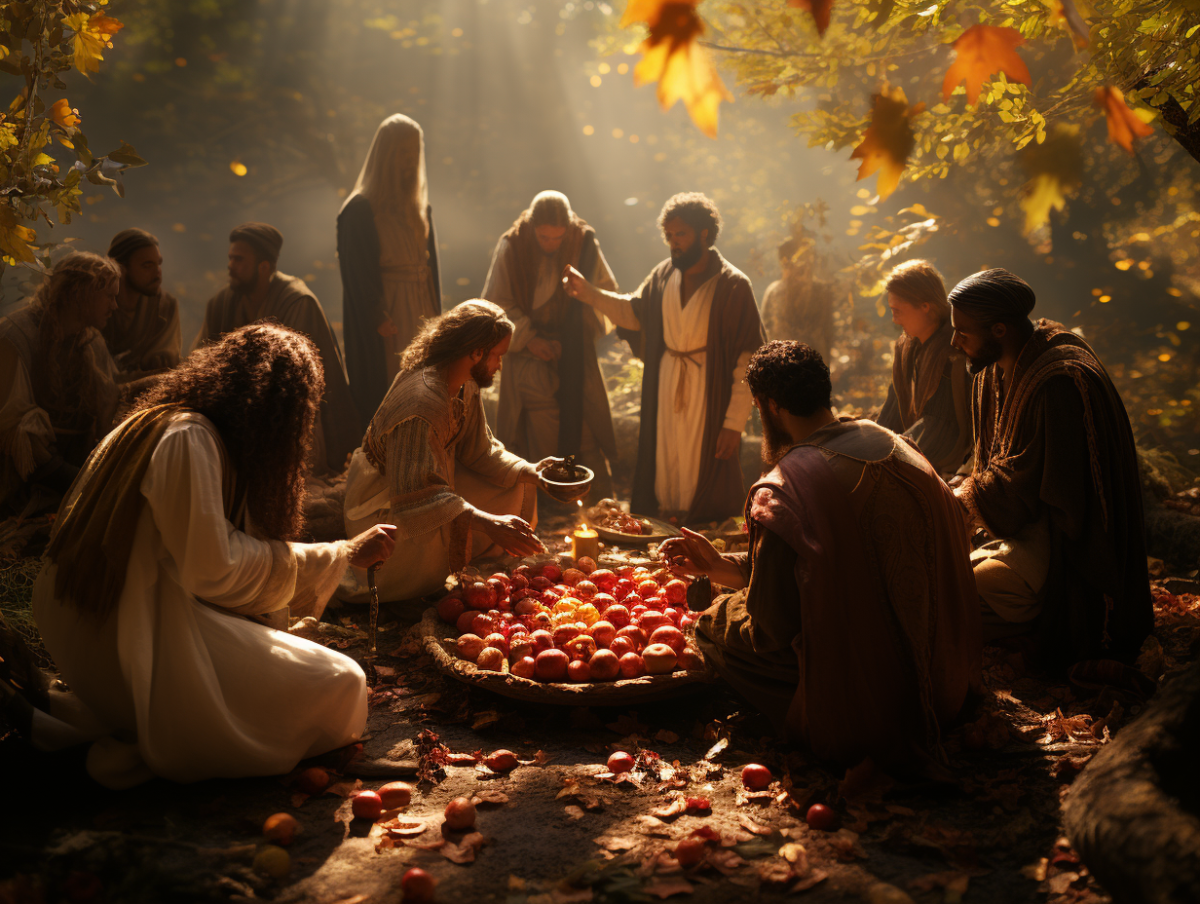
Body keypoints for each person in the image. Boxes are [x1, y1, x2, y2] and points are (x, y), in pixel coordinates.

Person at [27, 324, 397, 789]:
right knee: (342, 683)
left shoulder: (163, 423)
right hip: (125, 644)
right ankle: (153, 722)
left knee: (311, 666)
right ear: (277, 408)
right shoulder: (189, 438)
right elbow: (213, 570)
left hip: (90, 625)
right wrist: (340, 554)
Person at [662, 341, 979, 771]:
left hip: (867, 705)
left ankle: (796, 713)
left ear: (770, 406)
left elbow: (771, 628)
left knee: (714, 627)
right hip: (947, 676)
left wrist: (719, 609)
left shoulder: (783, 489)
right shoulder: (896, 444)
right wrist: (717, 565)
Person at [949, 269, 1152, 664]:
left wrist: (963, 503)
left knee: (959, 590)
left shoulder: (1059, 381)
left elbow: (1031, 483)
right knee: (944, 580)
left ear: (1000, 330)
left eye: (963, 333)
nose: (955, 342)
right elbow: (994, 460)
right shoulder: (991, 372)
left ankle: (1044, 622)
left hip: (1062, 540)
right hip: (1021, 527)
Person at [563, 192, 763, 523]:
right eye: (669, 236)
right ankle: (666, 527)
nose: (673, 243)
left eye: (680, 234)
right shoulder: (662, 276)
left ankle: (700, 534)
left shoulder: (733, 285)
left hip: (708, 387)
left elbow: (748, 358)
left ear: (704, 233)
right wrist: (588, 293)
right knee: (666, 456)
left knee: (703, 461)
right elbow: (633, 313)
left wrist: (733, 423)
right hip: (666, 380)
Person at [341, 300, 552, 604]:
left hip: (431, 488)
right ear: (475, 352)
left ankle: (481, 569)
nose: (500, 365)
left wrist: (535, 472)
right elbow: (416, 497)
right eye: (497, 356)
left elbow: (480, 451)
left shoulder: (465, 381)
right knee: (454, 531)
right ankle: (415, 582)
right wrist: (490, 523)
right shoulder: (422, 403)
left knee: (518, 481)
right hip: (386, 506)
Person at [482, 191, 619, 502]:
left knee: (584, 417)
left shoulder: (582, 242)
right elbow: (496, 302)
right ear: (532, 228)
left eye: (558, 238)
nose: (551, 244)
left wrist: (581, 305)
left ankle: (595, 502)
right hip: (526, 349)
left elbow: (605, 293)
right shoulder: (512, 246)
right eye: (544, 237)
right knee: (541, 412)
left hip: (572, 347)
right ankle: (545, 499)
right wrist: (530, 339)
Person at [195, 222, 361, 474]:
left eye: (239, 260)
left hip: (290, 414)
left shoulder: (297, 303)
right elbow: (199, 362)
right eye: (230, 258)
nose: (231, 266)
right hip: (234, 408)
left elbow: (288, 382)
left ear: (264, 267)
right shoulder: (221, 303)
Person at [338, 114, 442, 425]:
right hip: (390, 315)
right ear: (386, 155)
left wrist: (439, 318)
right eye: (401, 152)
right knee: (392, 392)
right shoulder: (359, 210)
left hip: (422, 309)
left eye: (414, 152)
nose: (409, 160)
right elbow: (355, 273)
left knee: (426, 389)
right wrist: (377, 314)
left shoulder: (419, 208)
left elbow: (431, 267)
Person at [0, 252, 122, 509]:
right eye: (109, 296)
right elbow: (21, 441)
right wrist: (85, 484)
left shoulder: (90, 341)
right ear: (79, 293)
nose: (114, 306)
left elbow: (109, 402)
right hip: (23, 489)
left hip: (72, 474)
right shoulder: (16, 337)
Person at [873, 259, 973, 478]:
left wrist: (890, 461)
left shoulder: (951, 353)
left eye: (897, 310)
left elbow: (938, 429)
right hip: (916, 447)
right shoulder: (908, 346)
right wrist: (870, 446)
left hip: (947, 462)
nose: (894, 319)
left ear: (925, 306)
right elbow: (893, 409)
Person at [104, 228, 182, 380]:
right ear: (120, 268)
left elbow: (167, 365)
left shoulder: (165, 306)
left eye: (158, 264)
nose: (158, 272)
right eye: (147, 266)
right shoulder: (98, 303)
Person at [759, 233, 834, 359]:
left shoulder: (821, 291)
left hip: (811, 365)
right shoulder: (774, 291)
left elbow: (827, 334)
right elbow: (765, 334)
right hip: (782, 365)